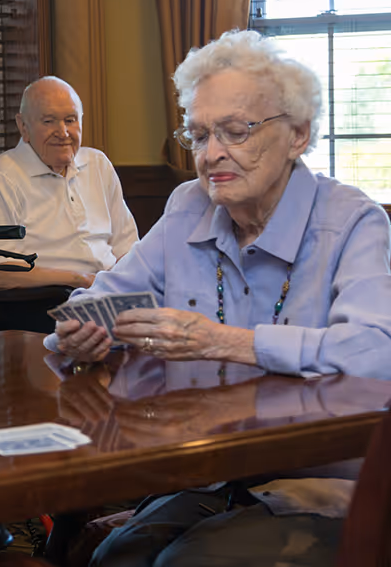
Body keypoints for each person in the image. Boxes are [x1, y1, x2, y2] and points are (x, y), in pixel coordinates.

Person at [48, 30, 391, 566]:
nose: (212, 155)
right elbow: (96, 302)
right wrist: (81, 333)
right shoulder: (189, 206)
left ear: (298, 134)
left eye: (236, 131)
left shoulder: (351, 221)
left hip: (326, 484)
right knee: (116, 556)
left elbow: (376, 353)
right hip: (214, 473)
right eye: (200, 134)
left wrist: (229, 342)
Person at [0, 76, 138, 329]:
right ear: (23, 126)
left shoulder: (98, 165)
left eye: (70, 120)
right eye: (48, 121)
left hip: (107, 294)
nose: (63, 133)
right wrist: (79, 279)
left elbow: (127, 247)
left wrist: (124, 286)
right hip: (43, 303)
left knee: (175, 319)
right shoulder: (3, 175)